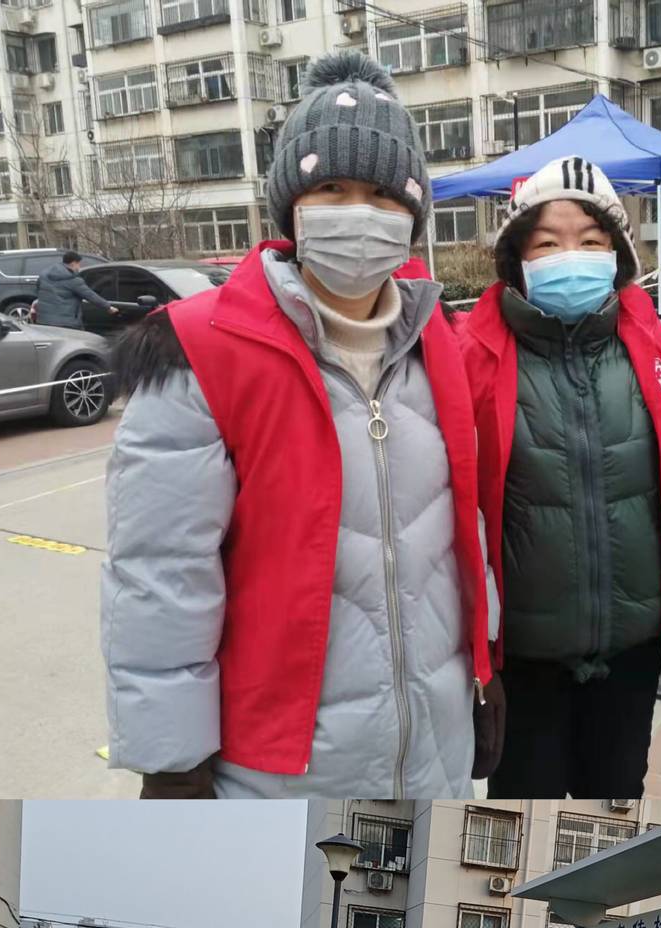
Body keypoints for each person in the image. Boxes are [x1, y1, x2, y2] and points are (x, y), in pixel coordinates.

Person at [102, 49, 500, 801]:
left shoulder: (434, 341)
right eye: (332, 187)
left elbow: (458, 533)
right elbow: (160, 574)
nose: (360, 212)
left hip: (433, 750)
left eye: (384, 194)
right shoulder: (203, 352)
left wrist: (482, 667)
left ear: (413, 213)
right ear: (292, 204)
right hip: (280, 768)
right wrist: (172, 757)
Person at [461, 156, 661, 799]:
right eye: (548, 243)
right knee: (525, 802)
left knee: (616, 799)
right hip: (524, 659)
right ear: (517, 261)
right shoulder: (474, 358)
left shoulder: (650, 349)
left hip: (630, 652)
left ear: (617, 256)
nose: (572, 256)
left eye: (591, 242)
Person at [32, 251, 119, 329]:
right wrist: (108, 307)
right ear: (73, 263)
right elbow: (90, 295)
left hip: (44, 320)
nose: (79, 267)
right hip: (65, 323)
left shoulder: (44, 274)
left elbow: (38, 290)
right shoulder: (72, 280)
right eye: (79, 264)